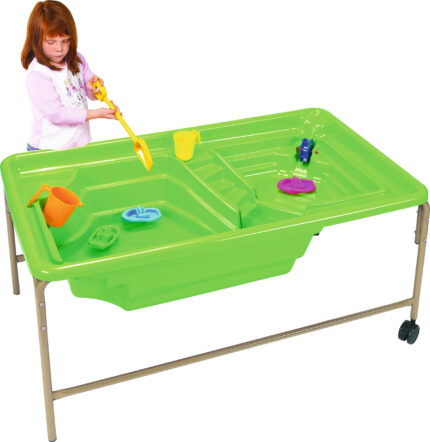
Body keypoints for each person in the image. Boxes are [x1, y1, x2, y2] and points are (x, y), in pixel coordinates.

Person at [21, 0, 119, 151]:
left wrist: (93, 88)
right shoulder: (38, 74)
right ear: (36, 40)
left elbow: (89, 88)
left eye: (65, 41)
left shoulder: (77, 60)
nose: (59, 49)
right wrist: (97, 114)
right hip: (48, 148)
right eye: (51, 42)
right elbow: (57, 114)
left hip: (77, 145)